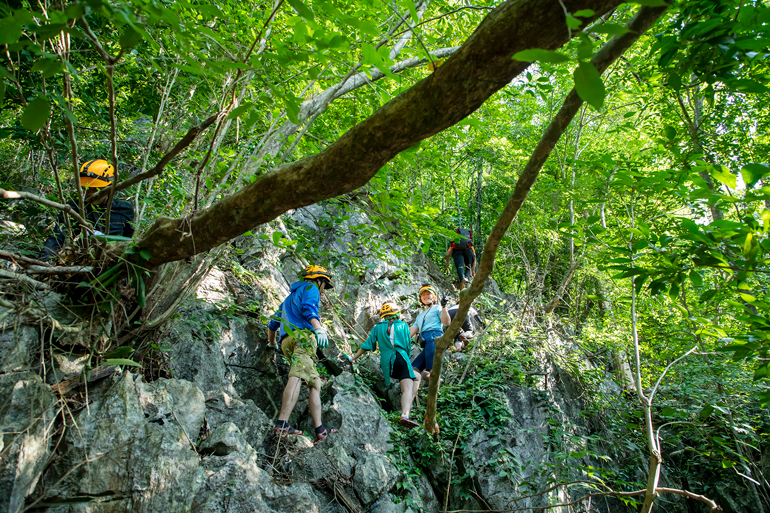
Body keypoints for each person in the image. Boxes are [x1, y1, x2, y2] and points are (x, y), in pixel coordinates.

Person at [267, 265, 337, 443]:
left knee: (315, 382)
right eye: (324, 285)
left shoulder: (288, 299)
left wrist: (272, 344)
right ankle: (282, 423)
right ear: (318, 280)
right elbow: (308, 308)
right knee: (298, 375)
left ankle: (320, 430)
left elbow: (272, 324)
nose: (323, 291)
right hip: (303, 338)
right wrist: (318, 328)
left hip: (286, 342)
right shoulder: (311, 287)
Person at [41, 159, 135, 261]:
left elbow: (128, 240)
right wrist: (44, 260)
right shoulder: (74, 208)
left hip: (113, 261)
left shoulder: (124, 209)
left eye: (96, 189)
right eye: (86, 188)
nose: (89, 194)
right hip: (81, 261)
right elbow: (56, 238)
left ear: (110, 187)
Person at [351, 302, 421, 428]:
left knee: (417, 376)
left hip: (387, 365)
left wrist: (353, 358)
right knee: (407, 388)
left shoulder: (377, 328)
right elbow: (407, 347)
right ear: (397, 314)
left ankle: (408, 403)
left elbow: (367, 345)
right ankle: (405, 414)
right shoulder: (403, 326)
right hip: (400, 358)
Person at [410, 284, 450, 384]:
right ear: (420, 298)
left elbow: (447, 322)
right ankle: (430, 377)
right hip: (425, 341)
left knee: (432, 369)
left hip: (434, 336)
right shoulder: (419, 316)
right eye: (423, 294)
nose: (425, 296)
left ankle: (436, 382)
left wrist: (444, 306)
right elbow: (409, 334)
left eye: (428, 293)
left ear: (434, 297)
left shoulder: (438, 308)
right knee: (412, 369)